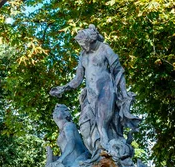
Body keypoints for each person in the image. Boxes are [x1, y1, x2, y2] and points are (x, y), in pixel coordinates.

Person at [50, 25, 140, 156]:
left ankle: (108, 153)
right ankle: (97, 154)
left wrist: (124, 93)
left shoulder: (105, 49)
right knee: (85, 125)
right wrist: (63, 88)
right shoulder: (83, 55)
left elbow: (118, 70)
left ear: (91, 40)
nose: (82, 47)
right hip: (91, 95)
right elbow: (78, 79)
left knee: (102, 123)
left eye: (84, 44)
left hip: (106, 90)